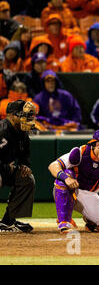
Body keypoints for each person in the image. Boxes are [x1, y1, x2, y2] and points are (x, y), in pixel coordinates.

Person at [0, 99, 36, 233]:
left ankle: (8, 221)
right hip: (2, 169)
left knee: (27, 179)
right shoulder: (2, 131)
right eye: (23, 115)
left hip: (5, 170)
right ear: (11, 115)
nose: (27, 119)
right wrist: (4, 167)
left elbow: (25, 155)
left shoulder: (22, 132)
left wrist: (24, 165)